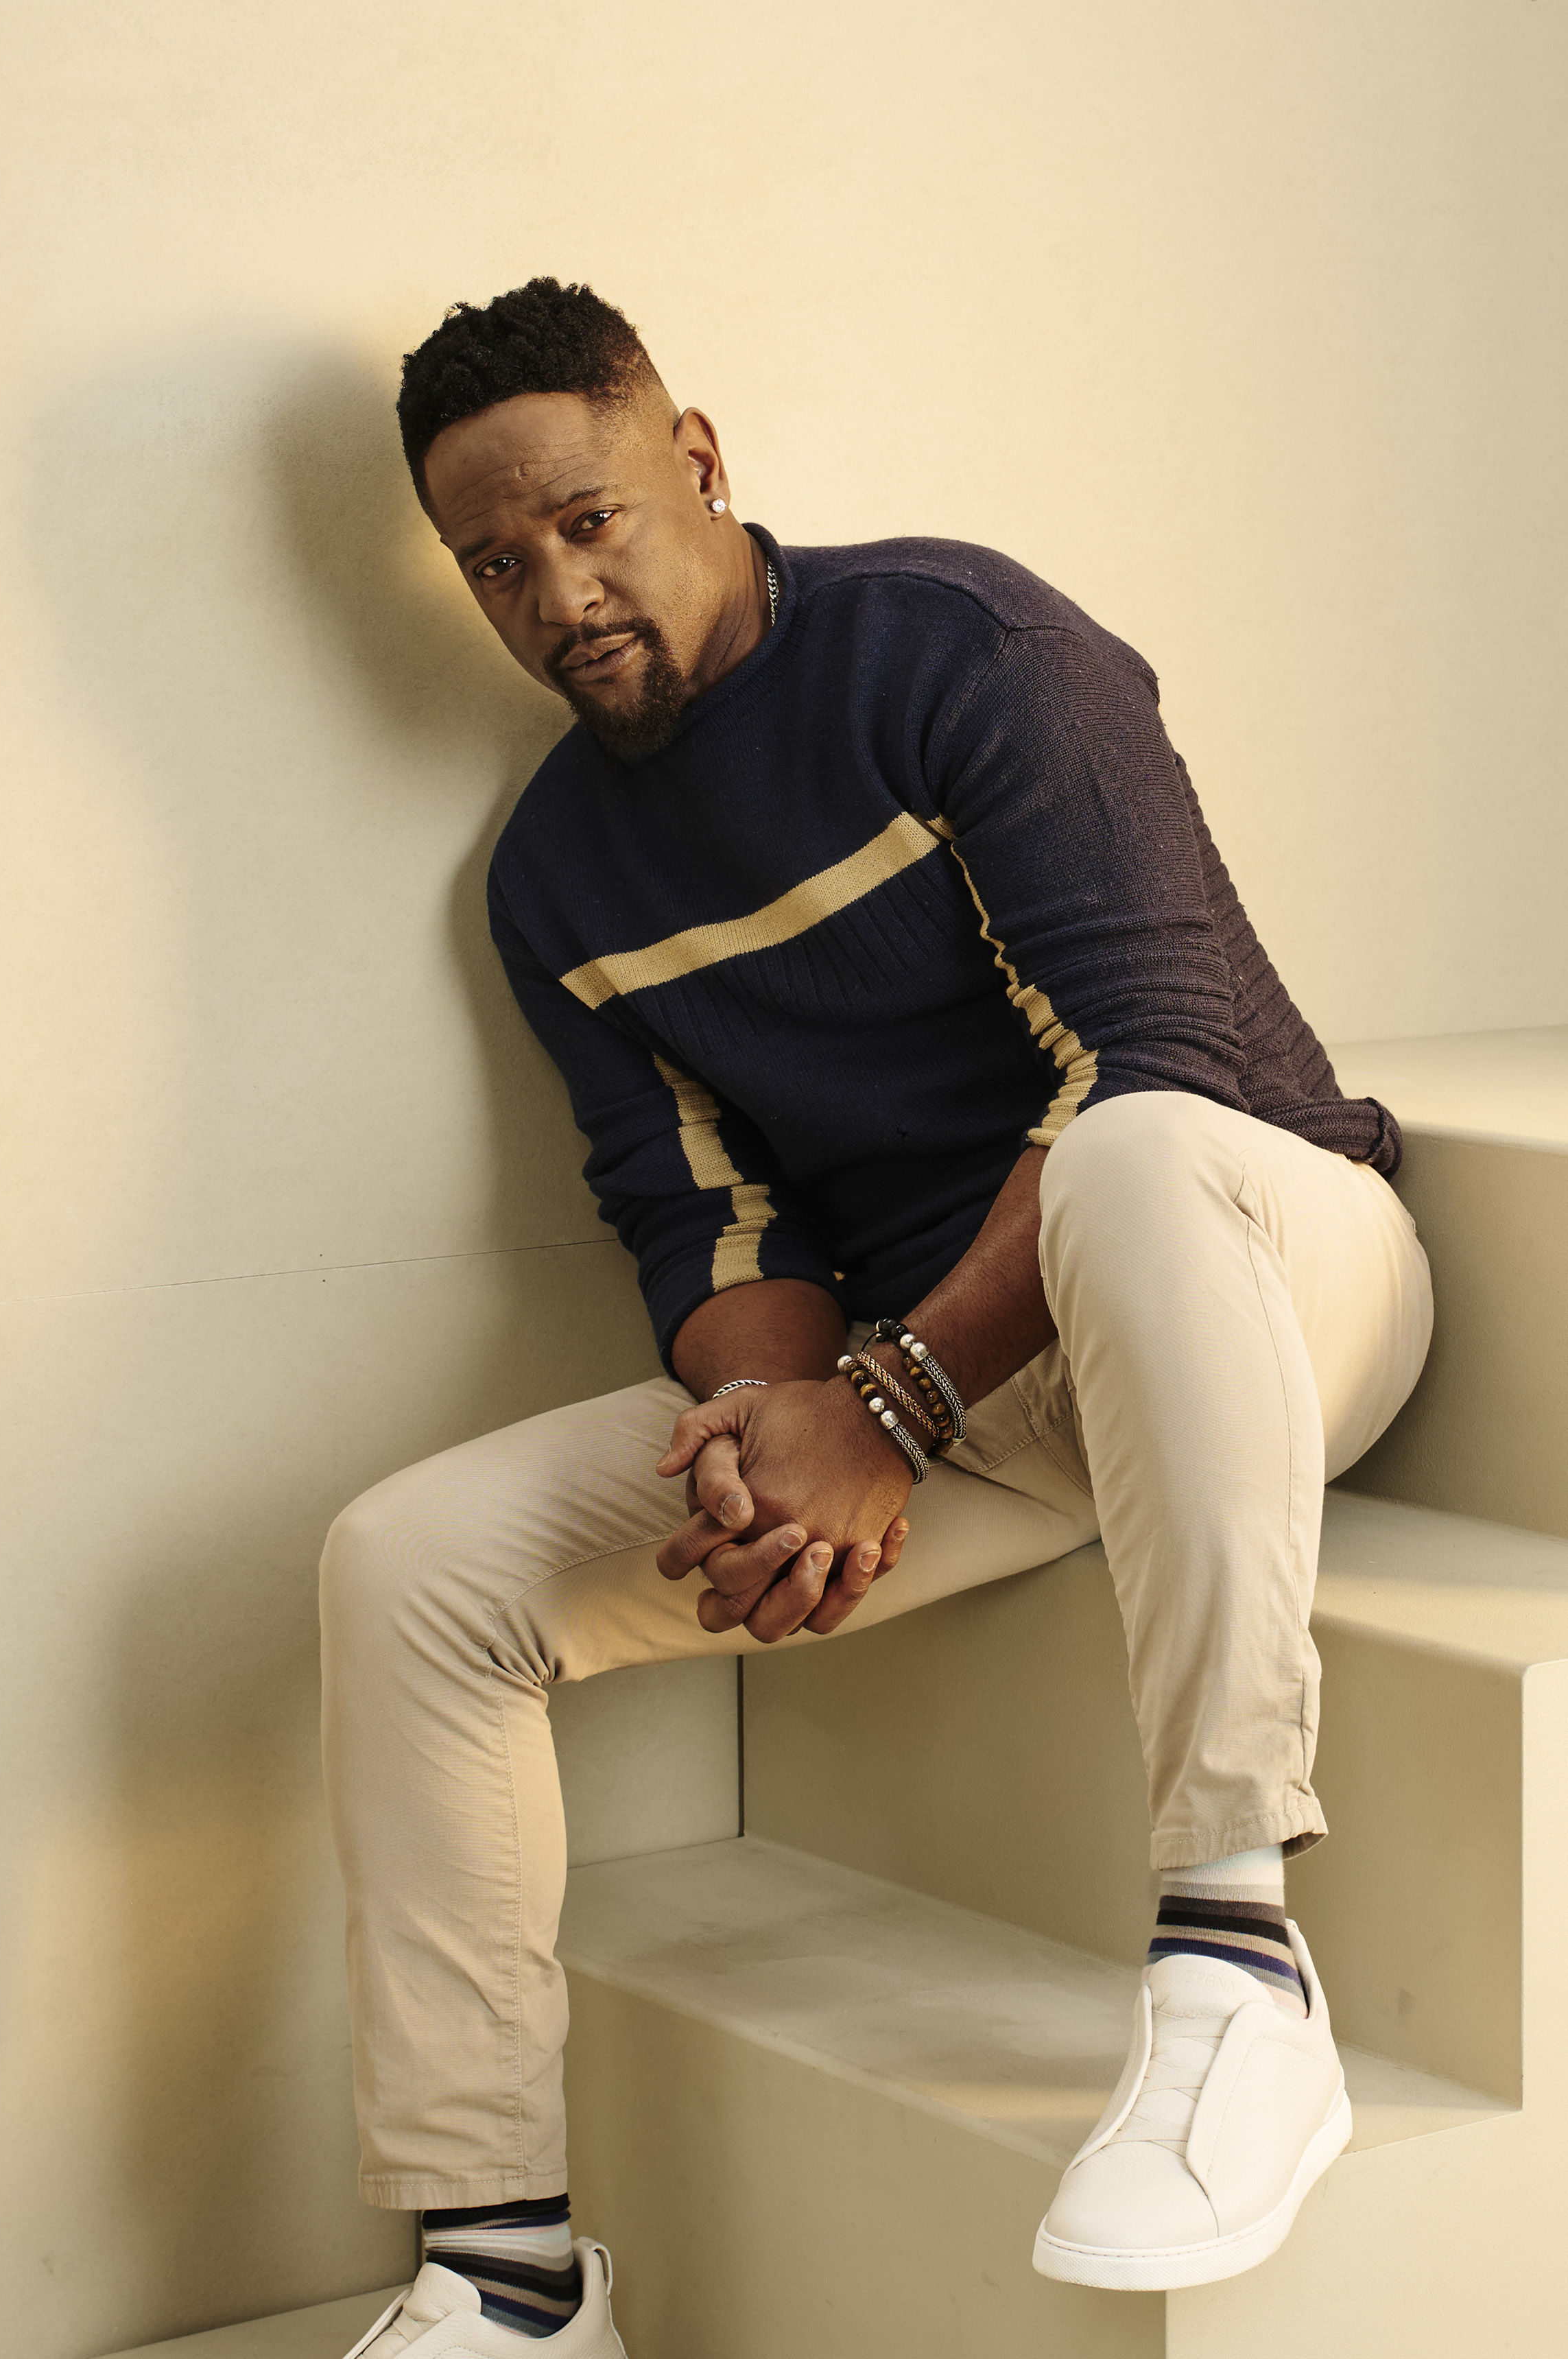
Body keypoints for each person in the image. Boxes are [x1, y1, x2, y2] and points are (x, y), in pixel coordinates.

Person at [322, 278, 1432, 2355]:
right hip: (979, 1405)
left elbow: (1157, 1053)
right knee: (408, 1568)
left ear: (704, 462)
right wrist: (769, 1441)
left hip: (1265, 1276)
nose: (554, 593)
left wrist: (890, 1405)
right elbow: (698, 1216)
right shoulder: (555, 875)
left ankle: (1235, 1972)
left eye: (587, 519)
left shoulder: (962, 651)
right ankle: (508, 2275)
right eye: (494, 561)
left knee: (1130, 1155)